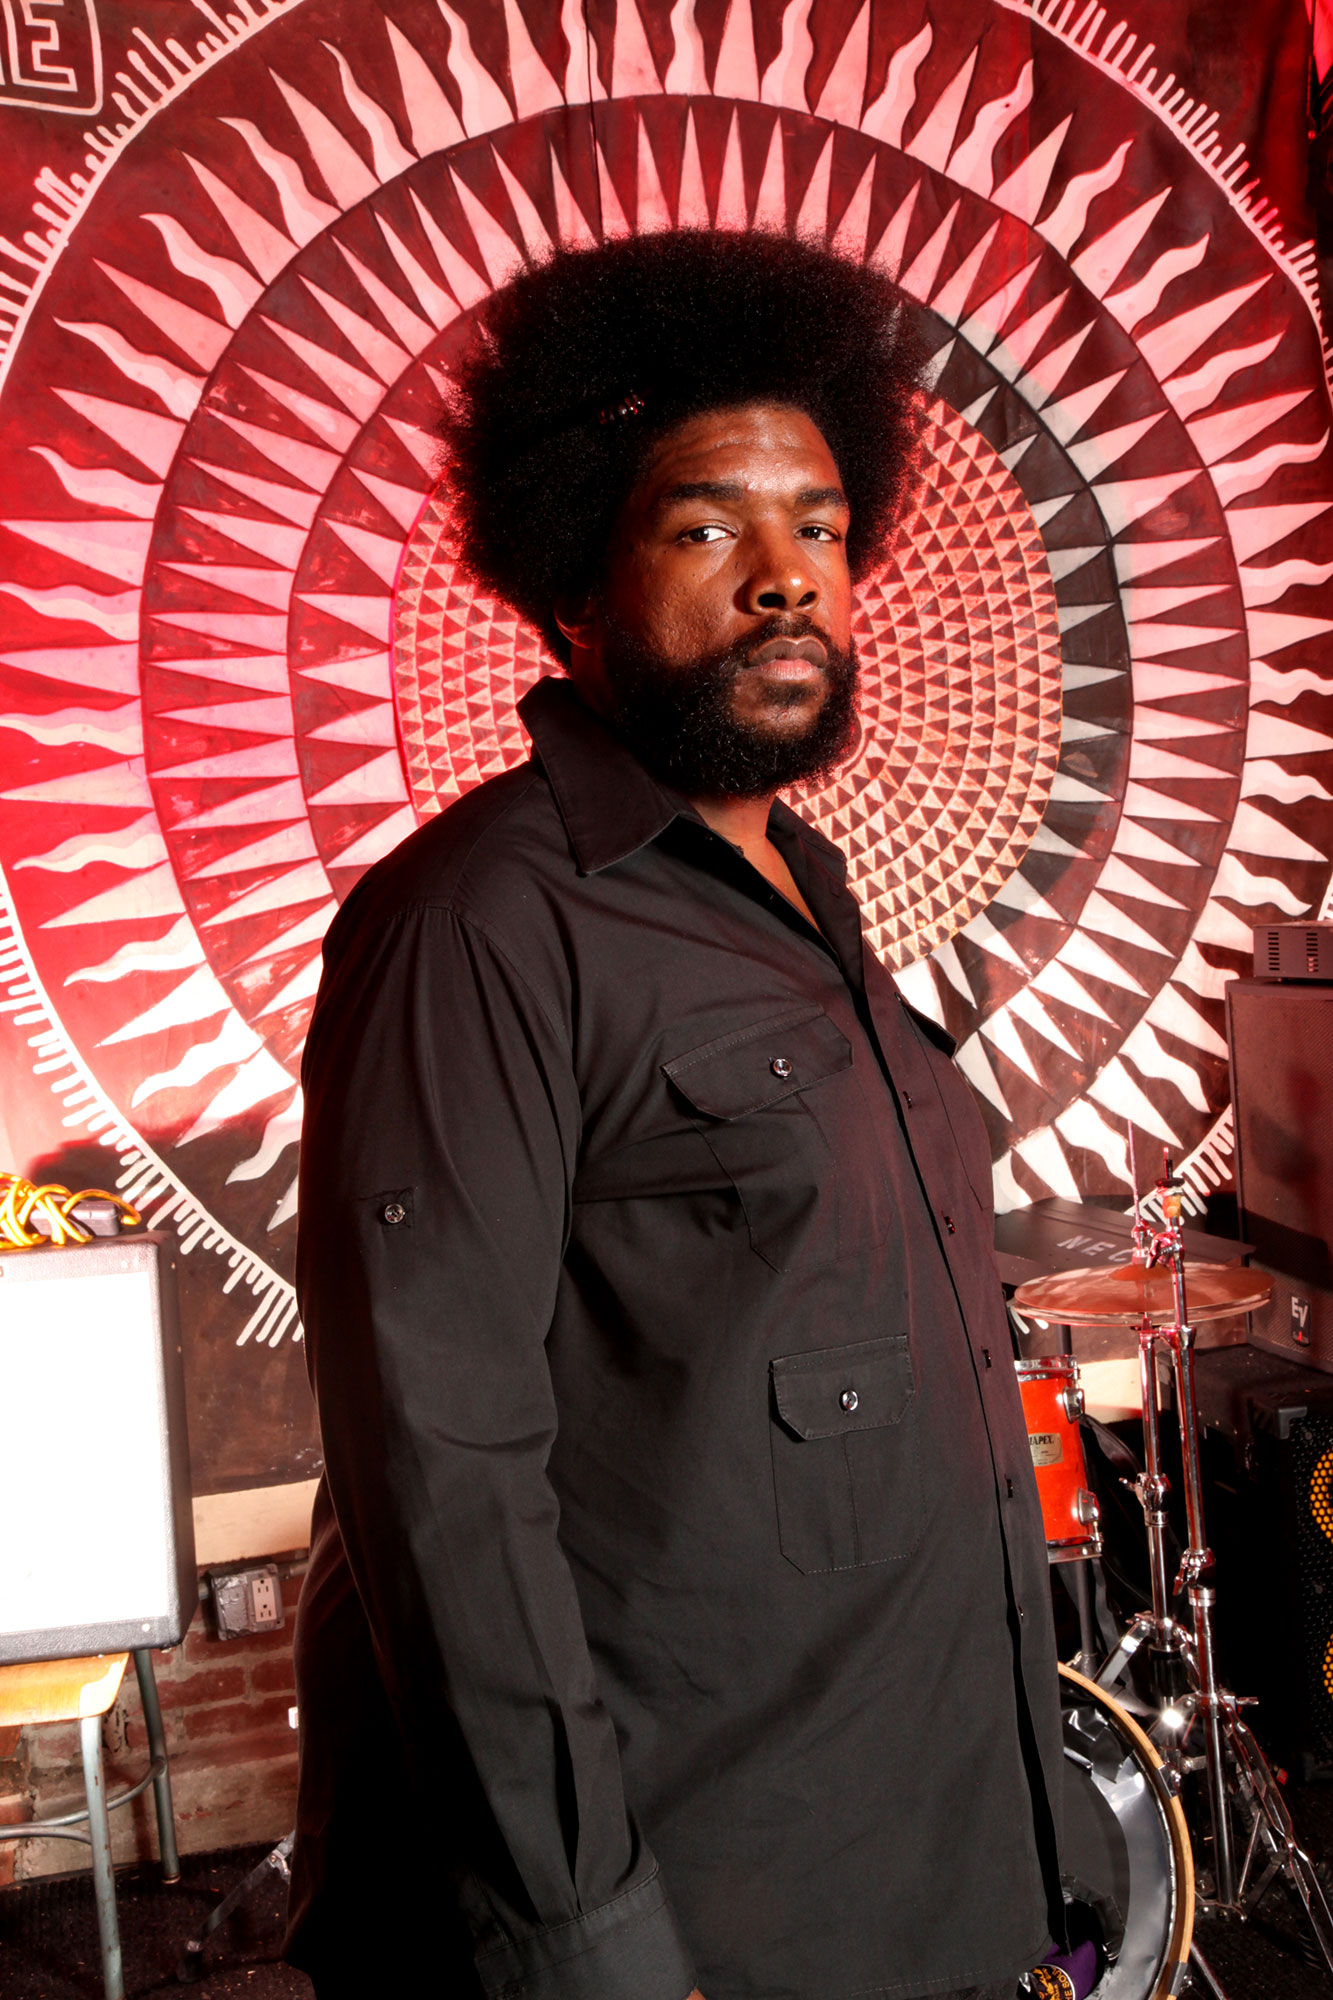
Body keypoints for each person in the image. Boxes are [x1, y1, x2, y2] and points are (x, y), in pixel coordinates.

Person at [287, 230, 1065, 2000]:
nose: (786, 580)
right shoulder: (476, 923)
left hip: (890, 1854)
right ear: (574, 572)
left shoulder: (810, 885)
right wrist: (589, 1939)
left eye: (821, 529)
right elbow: (440, 1477)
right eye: (708, 528)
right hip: (685, 1911)